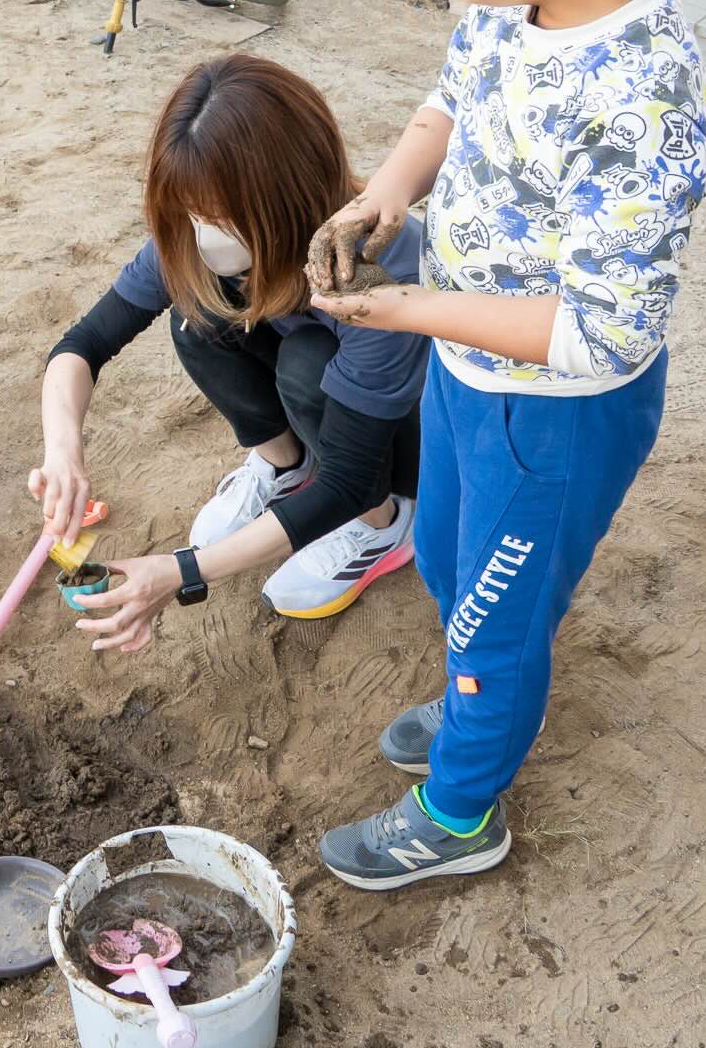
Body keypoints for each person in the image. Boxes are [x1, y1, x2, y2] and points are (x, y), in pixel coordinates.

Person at [303, 0, 706, 892]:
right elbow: (449, 99)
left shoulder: (640, 103)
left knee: (494, 618)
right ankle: (472, 702)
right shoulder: (507, 1)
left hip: (556, 411)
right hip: (469, 367)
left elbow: (602, 328)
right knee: (445, 555)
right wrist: (385, 198)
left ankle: (458, 814)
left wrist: (412, 310)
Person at [32, 52, 431, 648]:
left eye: (213, 215)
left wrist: (183, 572)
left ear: (284, 196)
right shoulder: (201, 238)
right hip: (329, 408)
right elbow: (83, 345)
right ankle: (284, 464)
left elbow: (346, 478)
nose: (194, 233)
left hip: (400, 442)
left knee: (306, 369)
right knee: (199, 318)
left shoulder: (373, 264)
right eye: (186, 211)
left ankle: (383, 526)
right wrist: (63, 451)